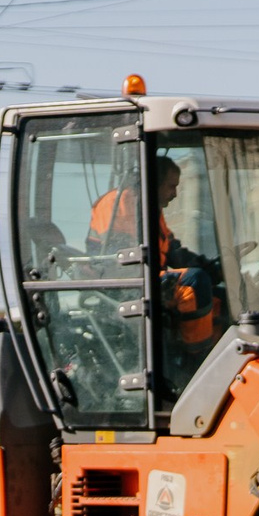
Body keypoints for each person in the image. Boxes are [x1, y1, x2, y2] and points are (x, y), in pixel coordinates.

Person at [88, 155, 224, 374]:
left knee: (218, 297)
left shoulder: (150, 209)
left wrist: (211, 268)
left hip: (151, 278)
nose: (175, 193)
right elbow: (117, 258)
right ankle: (198, 364)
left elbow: (171, 249)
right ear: (154, 181)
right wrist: (197, 273)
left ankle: (219, 359)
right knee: (193, 282)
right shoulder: (118, 204)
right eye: (171, 186)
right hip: (124, 285)